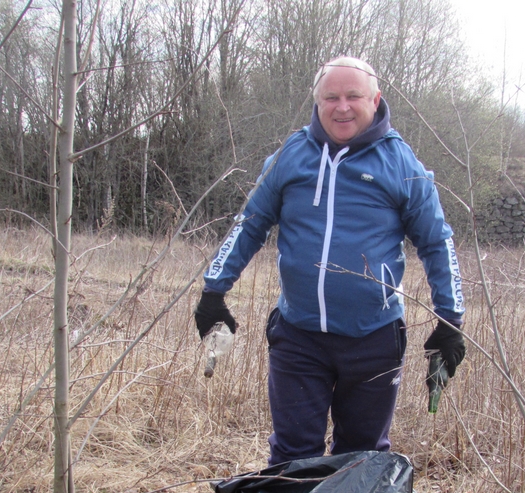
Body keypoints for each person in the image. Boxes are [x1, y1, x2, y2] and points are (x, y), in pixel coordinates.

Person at [194, 56, 466, 465]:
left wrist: (450, 321)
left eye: (353, 96)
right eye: (331, 97)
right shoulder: (290, 155)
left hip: (374, 339)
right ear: (316, 101)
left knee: (361, 459)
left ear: (375, 100)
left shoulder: (401, 164)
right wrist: (214, 290)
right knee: (292, 454)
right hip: (298, 337)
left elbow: (437, 241)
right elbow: (250, 223)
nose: (342, 106)